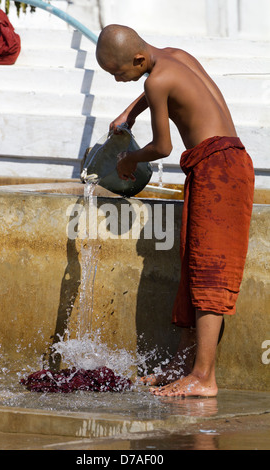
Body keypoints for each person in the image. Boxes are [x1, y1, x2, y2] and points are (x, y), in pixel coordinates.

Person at [96, 24, 255, 397]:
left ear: (137, 60)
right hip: (221, 162)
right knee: (193, 263)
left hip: (220, 170)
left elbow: (163, 147)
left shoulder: (155, 81)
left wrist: (129, 161)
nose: (120, 81)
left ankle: (204, 378)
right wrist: (130, 112)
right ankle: (182, 366)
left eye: (119, 73)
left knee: (210, 270)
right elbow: (159, 84)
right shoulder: (173, 56)